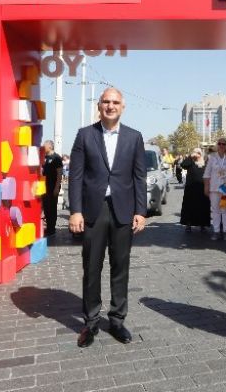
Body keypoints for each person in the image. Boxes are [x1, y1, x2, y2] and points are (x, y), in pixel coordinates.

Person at [68, 87, 146, 348]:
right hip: (93, 209)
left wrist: (141, 211)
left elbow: (139, 177)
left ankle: (116, 320)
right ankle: (90, 323)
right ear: (99, 105)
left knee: (120, 267)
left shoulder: (134, 137)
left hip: (123, 210)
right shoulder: (84, 135)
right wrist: (75, 211)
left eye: (115, 102)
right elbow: (76, 176)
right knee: (91, 267)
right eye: (106, 102)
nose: (110, 106)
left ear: (122, 106)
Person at [203, 137, 226, 241]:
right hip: (214, 187)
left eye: (224, 144)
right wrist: (206, 186)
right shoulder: (211, 158)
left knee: (225, 210)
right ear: (217, 145)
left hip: (225, 187)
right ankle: (216, 231)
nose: (222, 146)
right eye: (220, 144)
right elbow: (207, 173)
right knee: (215, 210)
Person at [179, 148, 210, 232]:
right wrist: (190, 156)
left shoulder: (205, 162)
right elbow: (183, 165)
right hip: (191, 188)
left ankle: (202, 225)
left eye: (199, 153)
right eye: (195, 153)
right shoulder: (190, 162)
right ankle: (188, 225)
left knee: (203, 207)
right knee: (190, 207)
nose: (197, 155)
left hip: (202, 188)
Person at [41, 140, 63, 237]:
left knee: (52, 208)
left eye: (44, 145)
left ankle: (52, 229)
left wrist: (57, 187)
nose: (43, 146)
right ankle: (48, 227)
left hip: (52, 187)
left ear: (50, 146)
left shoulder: (56, 158)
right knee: (46, 207)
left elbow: (59, 174)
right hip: (44, 188)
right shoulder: (44, 157)